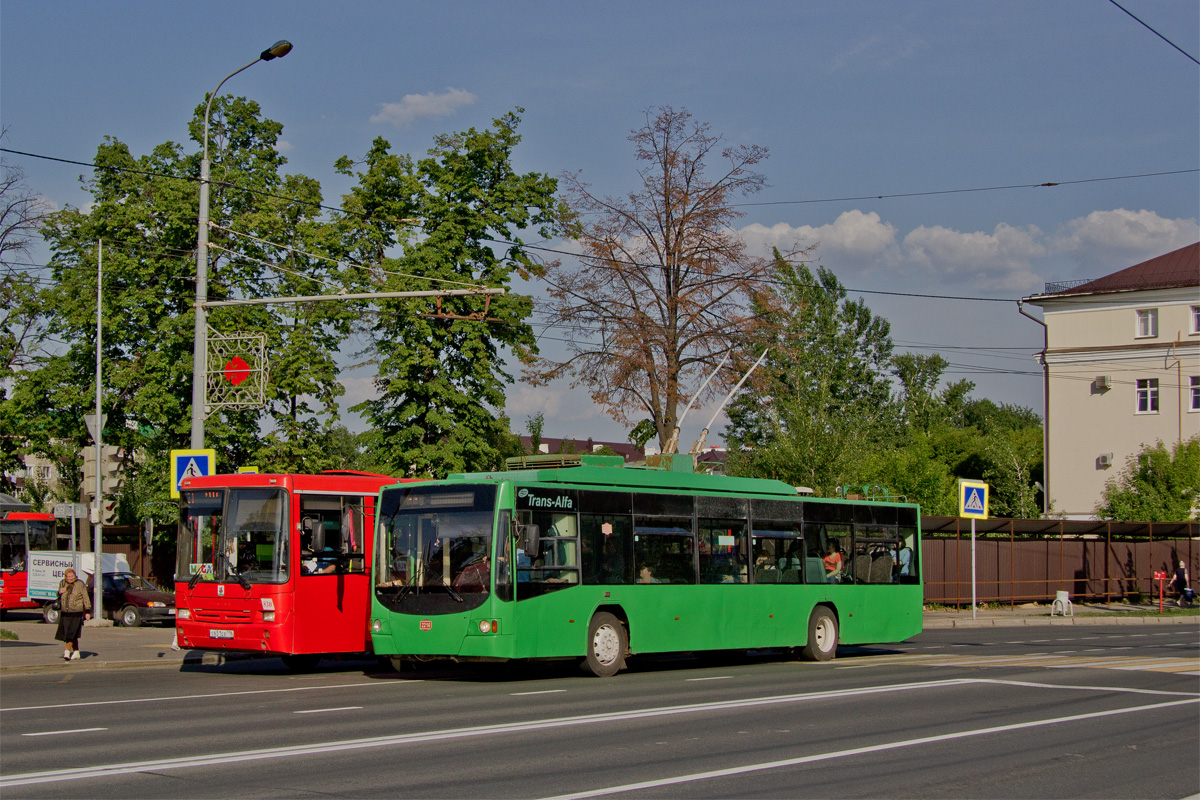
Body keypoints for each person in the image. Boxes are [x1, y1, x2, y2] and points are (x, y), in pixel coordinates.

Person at [55, 568, 91, 661]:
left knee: (72, 633)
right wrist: (59, 592)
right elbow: (58, 594)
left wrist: (87, 611)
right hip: (65, 612)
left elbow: (85, 597)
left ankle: (66, 652)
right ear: (65, 577)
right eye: (68, 576)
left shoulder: (80, 584)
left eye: (72, 576)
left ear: (75, 576)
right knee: (68, 633)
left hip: (76, 612)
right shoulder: (62, 583)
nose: (70, 578)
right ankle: (76, 652)